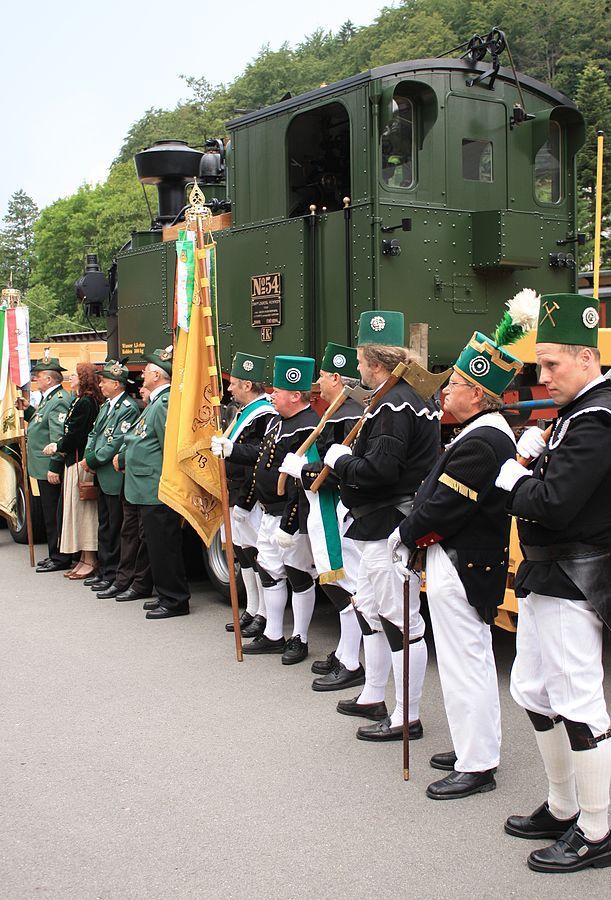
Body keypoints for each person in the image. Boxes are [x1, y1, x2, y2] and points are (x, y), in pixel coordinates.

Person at [495, 292, 611, 873]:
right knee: (534, 690)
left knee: (578, 700)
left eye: (551, 365)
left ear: (587, 357)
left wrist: (517, 473)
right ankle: (565, 805)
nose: (542, 377)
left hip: (575, 572)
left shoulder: (597, 419)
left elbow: (554, 503)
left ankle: (598, 826)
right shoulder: (573, 416)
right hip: (548, 570)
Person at [390, 331, 522, 798]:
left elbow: (445, 505)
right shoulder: (479, 434)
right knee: (466, 660)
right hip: (462, 559)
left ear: (478, 395)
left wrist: (404, 535)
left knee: (466, 661)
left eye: (455, 385)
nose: (445, 391)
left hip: (464, 562)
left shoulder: (482, 440)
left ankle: (478, 762)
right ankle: (474, 746)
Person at [322, 311, 440, 742]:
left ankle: (407, 715)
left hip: (391, 521)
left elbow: (381, 471)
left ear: (375, 362)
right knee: (370, 610)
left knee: (399, 620)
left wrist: (340, 460)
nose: (356, 370)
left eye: (359, 362)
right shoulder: (402, 396)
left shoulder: (394, 403)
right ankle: (374, 694)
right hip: (376, 522)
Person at [214, 356, 319, 664]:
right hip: (269, 511)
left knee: (300, 575)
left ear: (296, 395)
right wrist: (233, 450)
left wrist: (289, 523)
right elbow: (262, 456)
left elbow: (303, 483)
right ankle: (274, 633)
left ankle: (300, 637)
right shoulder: (277, 420)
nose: (271, 395)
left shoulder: (308, 426)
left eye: (279, 391)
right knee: (269, 572)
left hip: (291, 516)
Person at [279, 341, 366, 691]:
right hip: (330, 509)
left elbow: (335, 471)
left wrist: (301, 470)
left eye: (322, 376)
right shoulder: (338, 409)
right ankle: (346, 650)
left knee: (347, 584)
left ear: (334, 377)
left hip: (340, 510)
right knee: (336, 582)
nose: (317, 382)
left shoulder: (347, 414)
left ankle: (352, 660)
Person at [116, 347, 190, 620]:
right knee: (157, 546)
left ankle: (175, 599)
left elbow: (168, 448)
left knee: (164, 546)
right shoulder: (156, 404)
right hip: (146, 488)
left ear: (158, 375)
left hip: (157, 488)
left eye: (147, 370)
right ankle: (165, 593)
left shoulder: (165, 404)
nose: (143, 373)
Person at [212, 352, 274, 637]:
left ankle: (263, 614)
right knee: (243, 554)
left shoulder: (264, 416)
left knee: (257, 555)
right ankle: (252, 608)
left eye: (234, 384)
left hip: (251, 499)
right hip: (236, 494)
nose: (230, 389)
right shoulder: (244, 413)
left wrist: (244, 502)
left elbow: (258, 460)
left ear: (248, 385)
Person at [80, 361, 140, 595]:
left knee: (116, 528)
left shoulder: (128, 407)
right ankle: (105, 571)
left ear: (116, 383)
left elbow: (117, 442)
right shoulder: (106, 406)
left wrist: (92, 461)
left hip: (114, 475)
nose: (101, 384)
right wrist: (89, 457)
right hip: (102, 473)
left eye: (104, 381)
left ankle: (114, 574)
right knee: (105, 525)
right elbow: (94, 434)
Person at [43, 363, 103, 579]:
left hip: (80, 463)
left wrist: (57, 446)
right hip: (72, 461)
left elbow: (76, 435)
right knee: (76, 513)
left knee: (84, 514)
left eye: (75, 375)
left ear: (84, 378)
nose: (71, 377)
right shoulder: (79, 400)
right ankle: (84, 559)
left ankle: (91, 560)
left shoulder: (86, 402)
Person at [17, 354, 71, 572]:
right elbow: (41, 423)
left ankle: (59, 557)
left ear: (49, 379)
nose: (35, 380)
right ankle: (54, 554)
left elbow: (58, 438)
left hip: (49, 467)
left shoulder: (58, 401)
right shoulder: (49, 399)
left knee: (53, 513)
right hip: (42, 466)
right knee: (50, 513)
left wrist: (54, 466)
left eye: (38, 377)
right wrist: (28, 409)